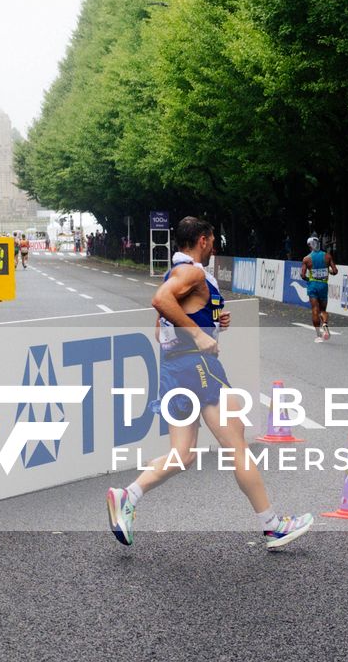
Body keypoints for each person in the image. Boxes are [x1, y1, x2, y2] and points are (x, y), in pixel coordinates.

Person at [106, 216, 313, 551]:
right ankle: (272, 526)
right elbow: (160, 301)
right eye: (213, 239)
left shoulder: (176, 273)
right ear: (202, 240)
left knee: (182, 455)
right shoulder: (192, 272)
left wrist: (212, 322)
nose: (215, 245)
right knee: (237, 445)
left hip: (175, 369)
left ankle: (127, 496)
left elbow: (163, 329)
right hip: (200, 368)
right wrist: (201, 334)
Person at [301, 236, 336, 342]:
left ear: (310, 245)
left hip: (313, 286)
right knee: (323, 310)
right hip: (323, 285)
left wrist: (309, 280)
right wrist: (329, 271)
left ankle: (318, 335)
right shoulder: (327, 256)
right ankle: (325, 324)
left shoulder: (306, 259)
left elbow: (302, 275)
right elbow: (335, 271)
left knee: (315, 310)